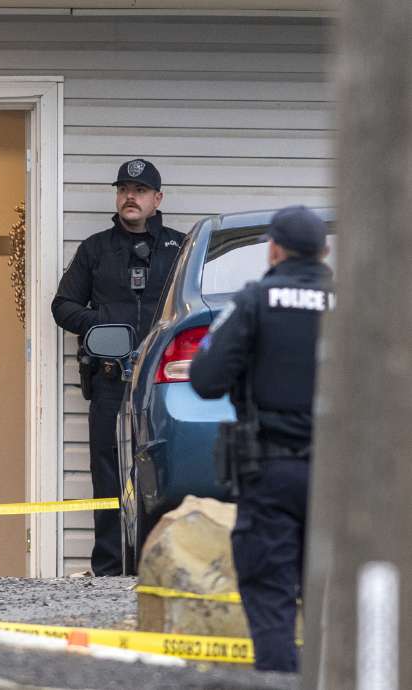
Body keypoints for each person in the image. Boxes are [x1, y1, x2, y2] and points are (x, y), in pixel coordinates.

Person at [189, 205, 332, 673]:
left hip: (269, 470)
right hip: (341, 479)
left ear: (273, 249)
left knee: (270, 595)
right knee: (335, 603)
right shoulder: (355, 307)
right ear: (324, 252)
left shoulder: (253, 302)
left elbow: (206, 378)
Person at [50, 159, 185, 576]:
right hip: (110, 381)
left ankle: (161, 566)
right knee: (107, 475)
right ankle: (109, 568)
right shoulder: (95, 248)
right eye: (125, 188)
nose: (131, 196)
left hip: (165, 385)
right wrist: (101, 323)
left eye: (140, 190)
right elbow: (63, 306)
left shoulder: (180, 248)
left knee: (167, 470)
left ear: (157, 199)